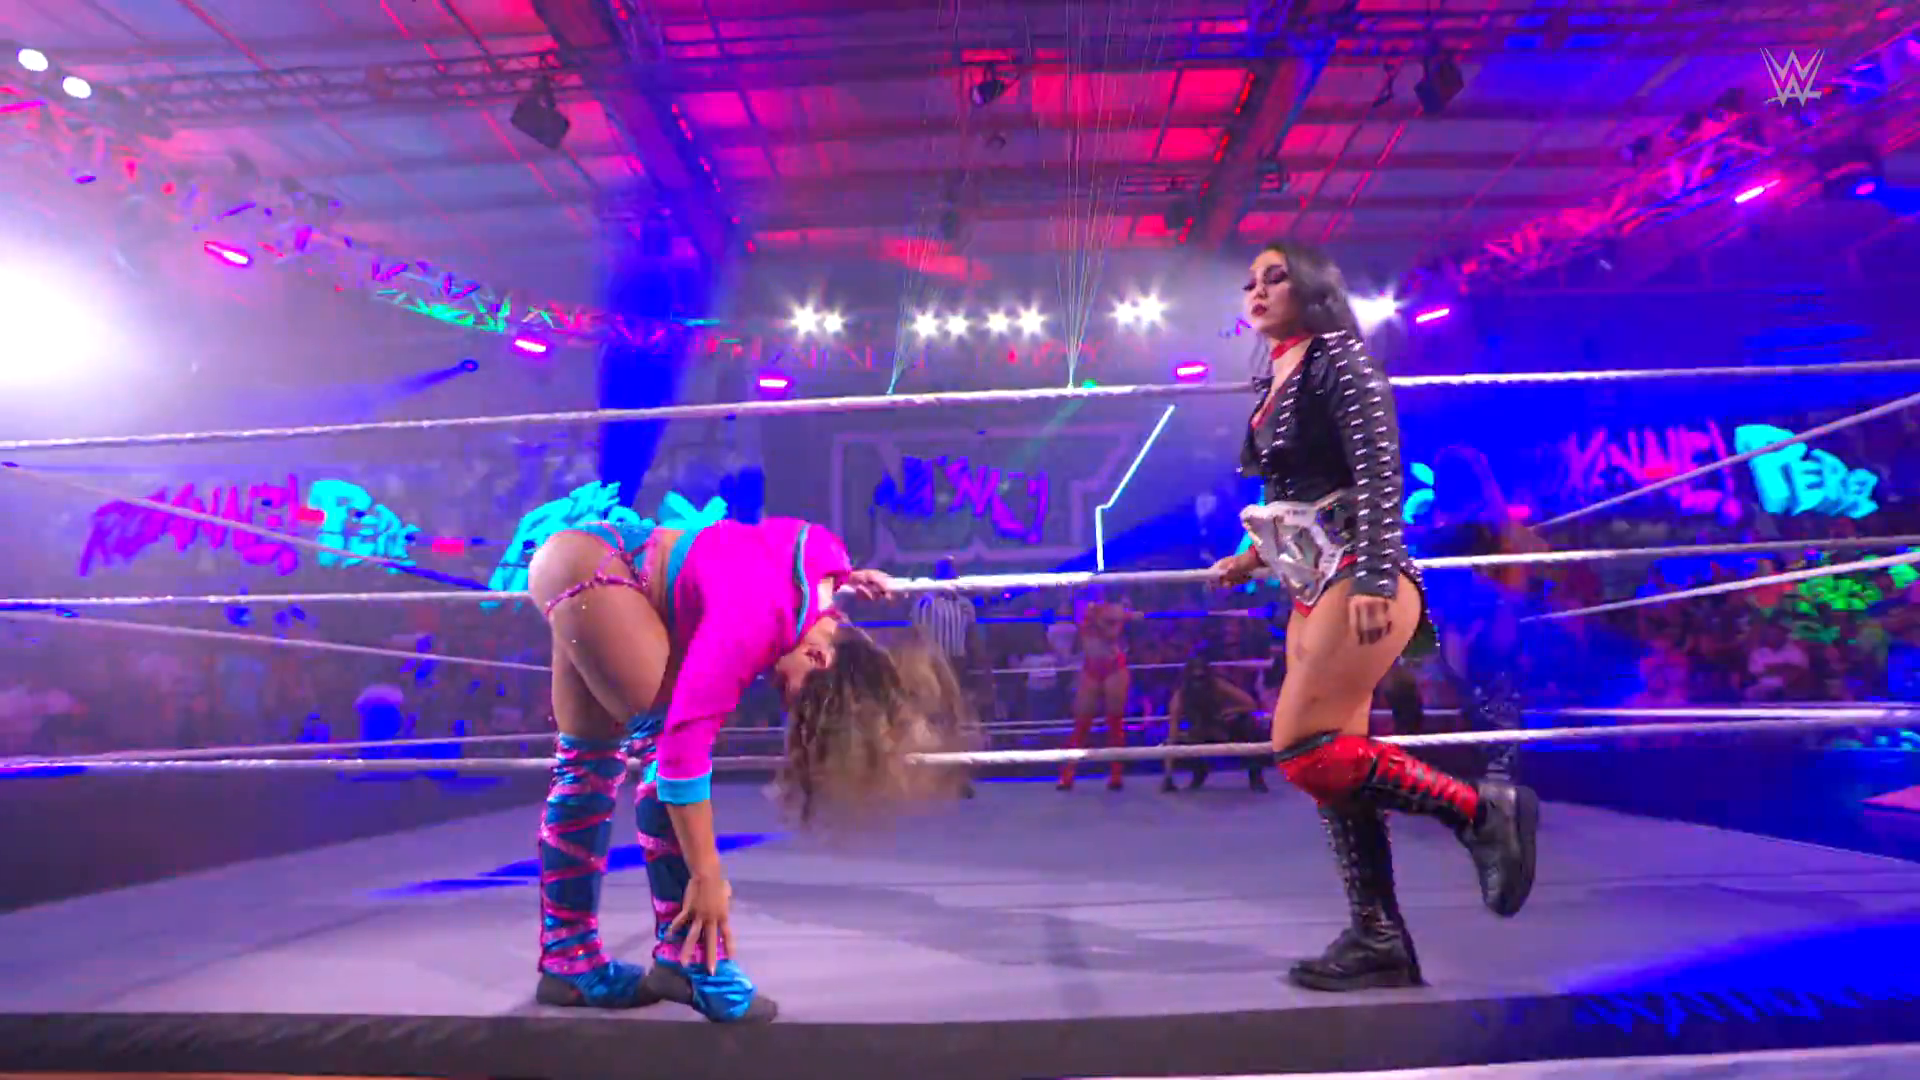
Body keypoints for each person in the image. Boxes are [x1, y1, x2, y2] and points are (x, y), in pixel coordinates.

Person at [1209, 240, 1539, 993]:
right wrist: (1250, 555)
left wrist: (1374, 573)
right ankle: (1378, 934)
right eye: (1250, 281)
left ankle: (1480, 814)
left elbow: (1380, 471)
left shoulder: (1340, 358)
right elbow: (1298, 493)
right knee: (1337, 765)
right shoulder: (1279, 373)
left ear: (1312, 287)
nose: (1257, 291)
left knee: (1303, 750)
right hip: (1311, 578)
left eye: (1275, 277)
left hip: (1358, 572)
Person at [524, 511, 967, 1021]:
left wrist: (846, 575)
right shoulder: (756, 622)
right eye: (799, 697)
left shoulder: (821, 572)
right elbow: (682, 755)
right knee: (663, 741)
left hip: (589, 561)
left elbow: (806, 538)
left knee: (587, 765)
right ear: (820, 659)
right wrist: (708, 876)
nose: (781, 696)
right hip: (599, 570)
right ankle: (690, 962)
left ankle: (569, 959)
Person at [1058, 588, 1142, 791]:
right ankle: (1068, 773)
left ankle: (1116, 774)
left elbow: (1114, 632)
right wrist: (1106, 617)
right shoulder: (1084, 607)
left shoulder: (1115, 609)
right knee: (1082, 722)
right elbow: (1081, 620)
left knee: (1115, 721)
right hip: (1091, 666)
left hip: (1113, 665)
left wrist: (1118, 616)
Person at [1161, 653, 1269, 792]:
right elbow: (1173, 733)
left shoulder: (1218, 686)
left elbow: (1251, 704)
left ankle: (1256, 777)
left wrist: (1231, 711)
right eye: (1195, 678)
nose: (1198, 683)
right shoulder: (1180, 697)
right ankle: (1199, 770)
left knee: (1249, 724)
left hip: (1223, 728)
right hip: (1199, 734)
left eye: (1201, 678)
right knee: (1170, 743)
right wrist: (1168, 776)